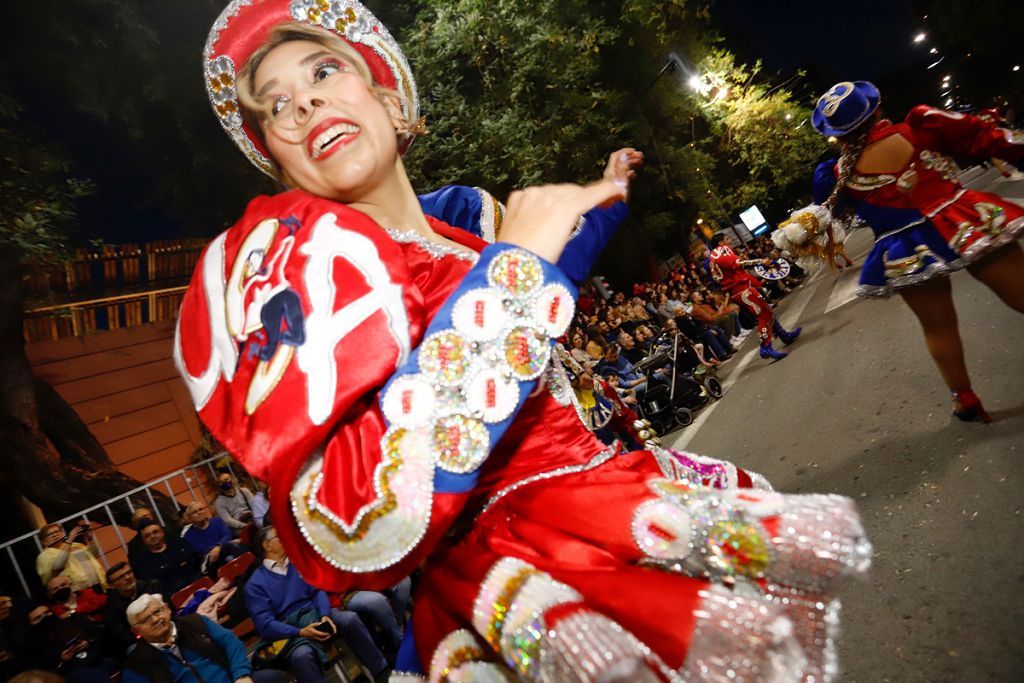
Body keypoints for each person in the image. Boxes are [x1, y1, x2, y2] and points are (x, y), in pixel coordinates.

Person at [175, 2, 869, 679]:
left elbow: (548, 279)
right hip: (510, 578)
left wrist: (603, 198)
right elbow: (352, 520)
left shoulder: (460, 220)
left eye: (323, 71)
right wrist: (512, 283)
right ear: (280, 163)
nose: (300, 103)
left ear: (390, 101)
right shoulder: (311, 284)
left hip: (600, 487)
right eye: (274, 105)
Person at [809, 80, 1024, 422]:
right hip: (965, 220)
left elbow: (825, 213)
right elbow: (984, 137)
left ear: (836, 135)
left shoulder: (835, 175)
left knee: (937, 327)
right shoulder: (921, 125)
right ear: (876, 108)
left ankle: (965, 399)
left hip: (904, 248)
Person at [245, 526, 391, 683]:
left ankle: (381, 671)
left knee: (349, 619)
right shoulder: (255, 585)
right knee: (302, 655)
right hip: (290, 630)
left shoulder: (298, 562)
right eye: (280, 536)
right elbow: (266, 625)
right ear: (267, 545)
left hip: (316, 614)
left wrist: (325, 615)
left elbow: (317, 591)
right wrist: (300, 632)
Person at [123, 593, 283, 683]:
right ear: (136, 630)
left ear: (166, 609)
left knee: (272, 677)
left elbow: (231, 644)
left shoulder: (196, 623)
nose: (156, 619)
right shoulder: (136, 665)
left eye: (157, 612)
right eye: (145, 619)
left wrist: (241, 675)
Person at [707, 233, 802, 360]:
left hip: (737, 290)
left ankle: (784, 335)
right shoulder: (721, 251)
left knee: (766, 311)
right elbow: (739, 263)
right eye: (727, 239)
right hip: (741, 290)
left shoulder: (712, 258)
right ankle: (765, 347)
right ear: (720, 243)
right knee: (763, 314)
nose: (730, 241)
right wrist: (760, 261)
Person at [25, 604, 112, 683]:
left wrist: (89, 641)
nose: (45, 617)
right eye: (38, 618)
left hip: (101, 659)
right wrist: (61, 659)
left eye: (47, 613)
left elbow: (102, 633)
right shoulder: (34, 647)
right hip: (72, 675)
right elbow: (45, 674)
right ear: (31, 624)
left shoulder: (75, 620)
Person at [103, 562, 167, 655]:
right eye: (121, 577)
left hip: (165, 625)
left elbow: (169, 610)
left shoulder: (153, 586)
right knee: (134, 651)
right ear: (112, 586)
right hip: (141, 641)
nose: (127, 577)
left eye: (129, 572)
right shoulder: (111, 609)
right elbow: (123, 635)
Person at [131, 520, 202, 594]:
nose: (152, 536)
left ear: (162, 532)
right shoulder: (143, 564)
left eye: (155, 532)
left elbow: (197, 561)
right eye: (147, 536)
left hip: (197, 584)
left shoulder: (179, 545)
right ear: (143, 541)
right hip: (172, 597)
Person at [181, 501, 248, 575]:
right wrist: (222, 545)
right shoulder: (188, 535)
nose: (199, 513)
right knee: (230, 546)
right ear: (190, 518)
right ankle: (253, 566)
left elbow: (227, 535)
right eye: (195, 512)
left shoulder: (217, 521)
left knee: (230, 558)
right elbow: (201, 550)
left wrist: (218, 546)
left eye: (201, 509)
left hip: (227, 551)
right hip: (209, 560)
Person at [35, 523, 106, 592]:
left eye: (56, 531)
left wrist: (90, 539)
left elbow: (93, 554)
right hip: (76, 592)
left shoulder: (75, 545)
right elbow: (58, 566)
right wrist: (69, 540)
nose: (54, 535)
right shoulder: (44, 556)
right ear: (43, 541)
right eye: (49, 534)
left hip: (97, 585)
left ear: (62, 533)